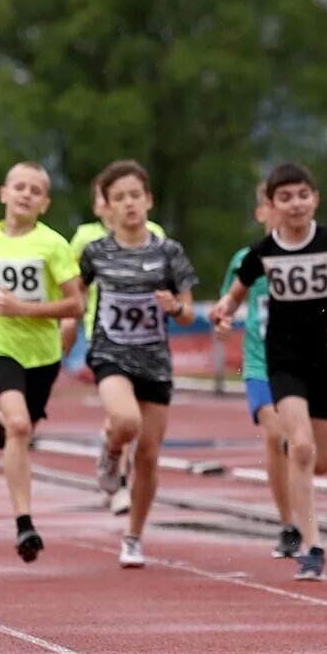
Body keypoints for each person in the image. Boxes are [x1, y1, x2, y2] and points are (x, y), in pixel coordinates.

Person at [213, 162, 327, 581]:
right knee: (301, 447)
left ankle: (299, 465)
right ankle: (313, 546)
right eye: (285, 198)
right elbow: (234, 295)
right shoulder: (259, 254)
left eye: (302, 195)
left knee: (319, 459)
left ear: (315, 199)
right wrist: (222, 313)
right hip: (282, 361)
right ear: (271, 205)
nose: (295, 204)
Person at [0, 161, 85, 563]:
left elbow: (76, 303)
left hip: (43, 354)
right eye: (19, 187)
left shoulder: (53, 245)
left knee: (20, 429)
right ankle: (24, 522)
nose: (25, 194)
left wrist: (23, 307)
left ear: (44, 204)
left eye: (35, 190)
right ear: (3, 193)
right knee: (20, 427)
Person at [80, 160, 198, 568]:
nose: (129, 204)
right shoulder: (95, 252)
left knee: (148, 453)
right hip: (111, 354)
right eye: (119, 198)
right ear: (107, 207)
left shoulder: (169, 252)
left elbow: (186, 313)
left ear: (148, 200)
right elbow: (73, 296)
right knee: (125, 422)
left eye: (135, 195)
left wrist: (174, 305)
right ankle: (111, 451)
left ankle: (133, 535)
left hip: (155, 361)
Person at [62, 173, 167, 516]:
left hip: (147, 344)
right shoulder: (86, 239)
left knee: (127, 422)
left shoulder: (157, 235)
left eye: (132, 195)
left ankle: (113, 462)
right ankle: (119, 485)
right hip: (103, 336)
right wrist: (67, 323)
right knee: (122, 415)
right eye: (111, 198)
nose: (122, 204)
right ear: (101, 204)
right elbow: (72, 285)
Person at [218, 182, 301, 559]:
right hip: (260, 363)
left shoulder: (314, 253)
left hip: (304, 363)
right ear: (262, 212)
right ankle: (288, 524)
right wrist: (222, 321)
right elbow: (226, 306)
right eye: (273, 203)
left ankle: (303, 511)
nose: (283, 210)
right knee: (274, 434)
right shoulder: (246, 259)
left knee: (304, 445)